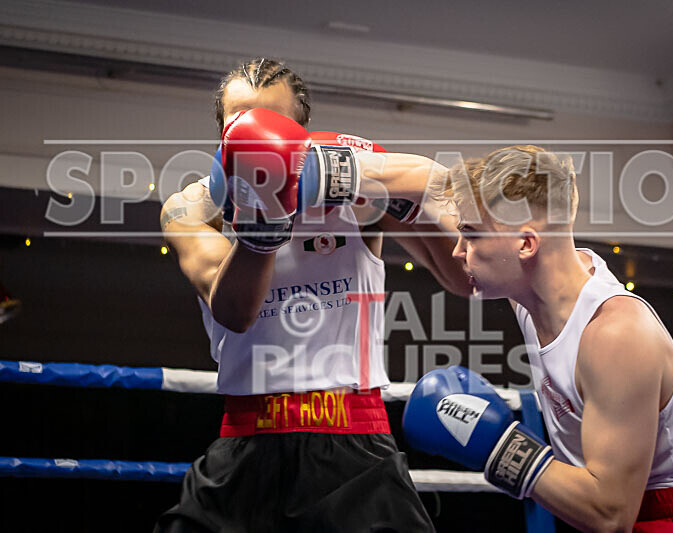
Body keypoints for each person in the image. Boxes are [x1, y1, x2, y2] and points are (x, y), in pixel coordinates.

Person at [155, 57, 469, 532]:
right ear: (221, 133)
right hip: (245, 441)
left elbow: (447, 218)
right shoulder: (191, 208)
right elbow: (235, 311)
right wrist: (265, 220)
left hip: (353, 442)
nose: (256, 135)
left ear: (303, 132)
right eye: (241, 124)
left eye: (273, 124)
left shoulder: (354, 190)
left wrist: (328, 175)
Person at [360, 145, 673, 532]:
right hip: (590, 511)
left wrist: (498, 446)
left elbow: (610, 514)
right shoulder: (532, 293)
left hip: (670, 519)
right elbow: (431, 206)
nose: (457, 250)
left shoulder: (615, 334)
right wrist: (360, 191)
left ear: (525, 244)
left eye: (470, 236)